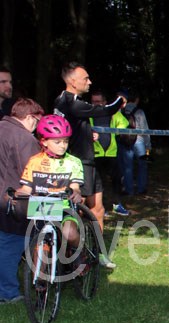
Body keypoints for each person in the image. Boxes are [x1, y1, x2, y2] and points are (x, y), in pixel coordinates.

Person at [54, 62, 124, 268]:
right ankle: (73, 256)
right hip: (78, 164)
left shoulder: (62, 100)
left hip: (88, 162)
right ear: (72, 81)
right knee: (77, 210)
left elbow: (70, 126)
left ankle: (99, 254)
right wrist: (120, 100)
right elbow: (105, 110)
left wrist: (85, 132)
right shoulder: (71, 102)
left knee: (98, 209)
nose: (89, 82)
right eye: (85, 78)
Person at [17, 115, 84, 262]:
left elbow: (75, 187)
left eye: (65, 141)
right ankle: (39, 275)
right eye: (57, 142)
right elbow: (26, 189)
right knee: (39, 244)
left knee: (69, 233)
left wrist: (76, 192)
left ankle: (80, 251)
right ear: (44, 141)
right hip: (41, 208)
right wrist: (15, 195)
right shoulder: (34, 161)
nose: (62, 145)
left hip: (65, 207)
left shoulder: (74, 162)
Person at [0, 98, 44, 304]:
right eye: (37, 121)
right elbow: (34, 173)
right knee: (12, 244)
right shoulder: (24, 138)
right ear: (29, 117)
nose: (37, 126)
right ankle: (7, 292)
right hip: (14, 201)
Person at [90, 90, 130, 216]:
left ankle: (117, 205)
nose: (96, 104)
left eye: (98, 101)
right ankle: (100, 207)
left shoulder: (112, 113)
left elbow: (124, 123)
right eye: (93, 102)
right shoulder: (88, 113)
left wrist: (117, 132)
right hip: (95, 154)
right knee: (98, 182)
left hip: (111, 153)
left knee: (116, 180)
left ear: (104, 102)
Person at [119, 89, 151, 196]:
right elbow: (145, 130)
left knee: (127, 167)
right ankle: (141, 188)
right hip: (139, 141)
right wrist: (148, 145)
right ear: (137, 99)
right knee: (142, 165)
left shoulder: (121, 111)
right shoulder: (139, 111)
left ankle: (129, 190)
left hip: (125, 141)